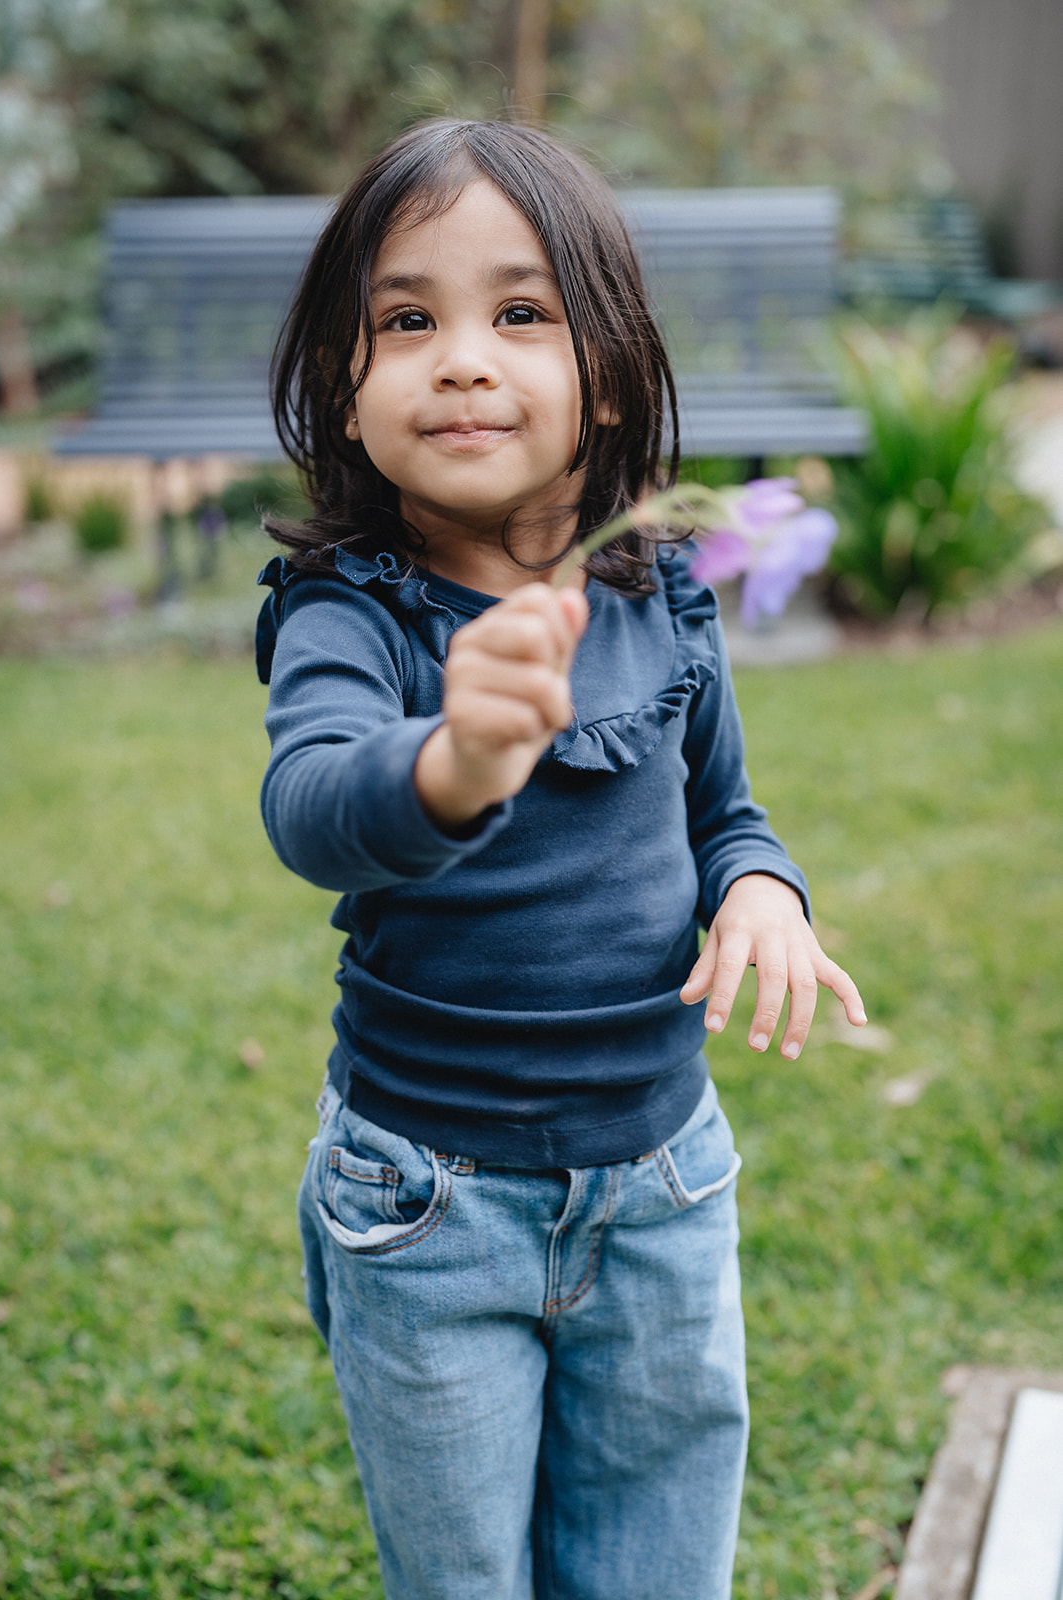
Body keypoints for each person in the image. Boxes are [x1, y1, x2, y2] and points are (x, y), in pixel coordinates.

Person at [256, 117, 866, 1600]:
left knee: (659, 1552)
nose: (462, 357)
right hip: (427, 1203)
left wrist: (765, 890)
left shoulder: (660, 594)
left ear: (607, 380)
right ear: (347, 387)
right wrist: (455, 759)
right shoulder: (352, 613)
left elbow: (723, 808)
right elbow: (315, 801)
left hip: (662, 1184)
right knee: (464, 1571)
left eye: (520, 313)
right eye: (408, 320)